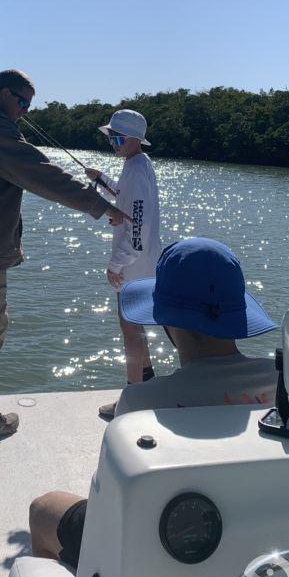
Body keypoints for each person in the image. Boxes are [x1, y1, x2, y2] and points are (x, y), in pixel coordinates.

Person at [29, 237, 278, 569]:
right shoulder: (284, 383)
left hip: (159, 547)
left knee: (43, 508)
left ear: (167, 321)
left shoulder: (142, 402)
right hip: (259, 541)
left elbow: (111, 499)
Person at [0, 68, 128, 443]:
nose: (24, 111)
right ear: (3, 94)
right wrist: (101, 207)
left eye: (28, 105)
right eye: (21, 102)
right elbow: (44, 175)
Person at [84, 109, 162, 420]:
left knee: (130, 330)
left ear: (134, 140)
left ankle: (131, 400)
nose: (113, 143)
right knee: (135, 328)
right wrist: (101, 179)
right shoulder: (137, 165)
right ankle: (148, 384)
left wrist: (116, 264)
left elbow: (138, 227)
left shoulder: (137, 169)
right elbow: (126, 197)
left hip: (134, 267)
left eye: (117, 138)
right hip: (141, 265)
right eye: (110, 137)